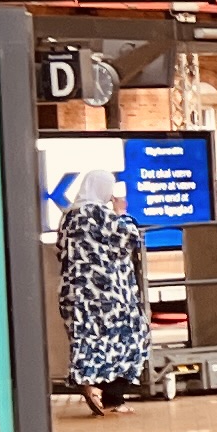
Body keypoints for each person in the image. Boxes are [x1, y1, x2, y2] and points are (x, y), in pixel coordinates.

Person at [54, 168, 150, 416]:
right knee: (132, 338)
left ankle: (92, 384)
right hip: (107, 296)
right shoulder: (100, 214)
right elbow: (128, 239)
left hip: (74, 295)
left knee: (87, 341)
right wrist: (122, 213)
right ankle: (110, 396)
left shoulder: (69, 216)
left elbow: (60, 250)